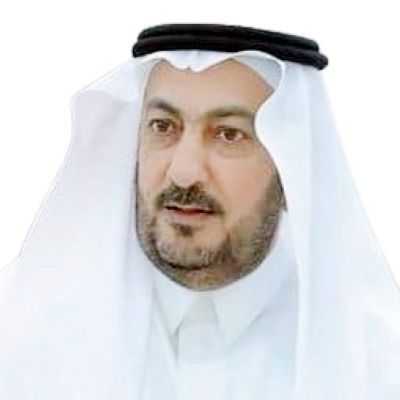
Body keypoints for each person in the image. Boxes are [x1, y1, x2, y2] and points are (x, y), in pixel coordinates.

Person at [0, 23, 399, 400]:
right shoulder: (21, 342)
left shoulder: (378, 365)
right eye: (163, 126)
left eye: (229, 134)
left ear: (293, 167)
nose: (184, 171)